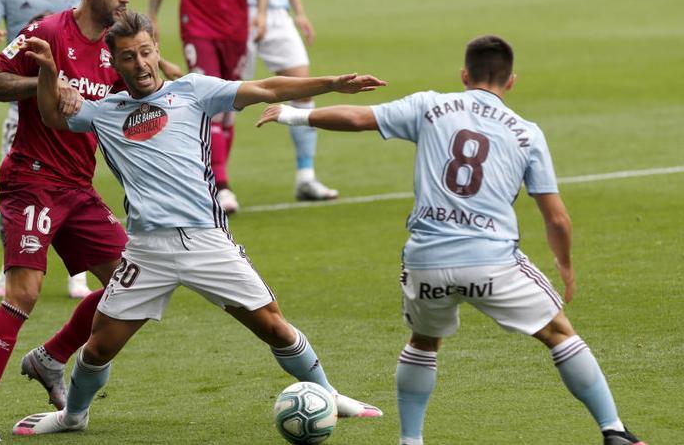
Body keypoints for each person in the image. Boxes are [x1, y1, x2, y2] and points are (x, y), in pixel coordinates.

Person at [9, 11, 385, 437]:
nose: (141, 64)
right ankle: (72, 416)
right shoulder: (104, 112)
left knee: (275, 327)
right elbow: (53, 116)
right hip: (147, 250)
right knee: (96, 349)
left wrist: (330, 83)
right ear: (114, 62)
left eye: (146, 52)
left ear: (157, 50)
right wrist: (48, 71)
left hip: (206, 241)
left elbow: (266, 87)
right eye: (129, 57)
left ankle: (329, 395)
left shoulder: (194, 91)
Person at [257, 35, 647, 445]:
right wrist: (564, 264)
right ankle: (614, 431)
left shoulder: (430, 105)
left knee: (424, 343)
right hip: (492, 262)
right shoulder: (527, 134)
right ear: (511, 81)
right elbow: (558, 219)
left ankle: (411, 441)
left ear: (464, 75)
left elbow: (357, 118)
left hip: (426, 259)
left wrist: (291, 116)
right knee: (559, 334)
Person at [0, 0, 139, 443]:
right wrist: (45, 81)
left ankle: (51, 358)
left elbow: (138, 101)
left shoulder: (115, 48)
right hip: (31, 179)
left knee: (133, 284)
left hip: (79, 186)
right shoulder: (47, 32)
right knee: (25, 292)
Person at [0, 0, 92, 299]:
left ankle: (78, 274)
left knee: (75, 186)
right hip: (22, 112)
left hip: (73, 108)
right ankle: (11, 263)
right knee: (10, 194)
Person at [148, 0, 272, 213]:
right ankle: (221, 184)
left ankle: (210, 181)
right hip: (198, 23)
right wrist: (153, 13)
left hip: (237, 25)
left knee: (231, 106)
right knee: (209, 102)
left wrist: (261, 12)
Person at [242, 0, 338, 201]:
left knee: (303, 87)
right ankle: (216, 183)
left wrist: (300, 12)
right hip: (236, 11)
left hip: (276, 12)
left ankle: (306, 176)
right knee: (225, 98)